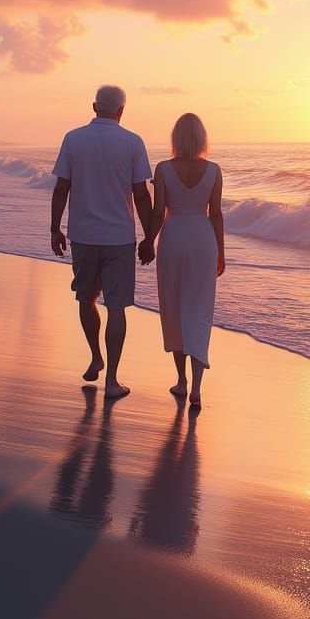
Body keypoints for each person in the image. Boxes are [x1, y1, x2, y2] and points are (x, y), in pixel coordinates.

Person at [50, 85, 154, 400]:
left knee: (86, 299)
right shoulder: (133, 142)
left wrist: (55, 229)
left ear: (95, 107)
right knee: (117, 307)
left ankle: (96, 356)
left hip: (82, 236)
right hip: (119, 238)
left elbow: (62, 187)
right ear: (121, 110)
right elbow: (141, 194)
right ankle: (111, 381)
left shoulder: (73, 138)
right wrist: (150, 237)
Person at [139, 113, 224, 408]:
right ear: (202, 138)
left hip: (173, 237)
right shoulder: (214, 170)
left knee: (173, 308)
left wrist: (148, 240)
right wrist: (221, 251)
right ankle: (197, 387)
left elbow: (158, 211)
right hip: (203, 240)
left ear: (175, 137)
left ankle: (181, 381)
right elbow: (215, 214)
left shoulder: (163, 168)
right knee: (199, 311)